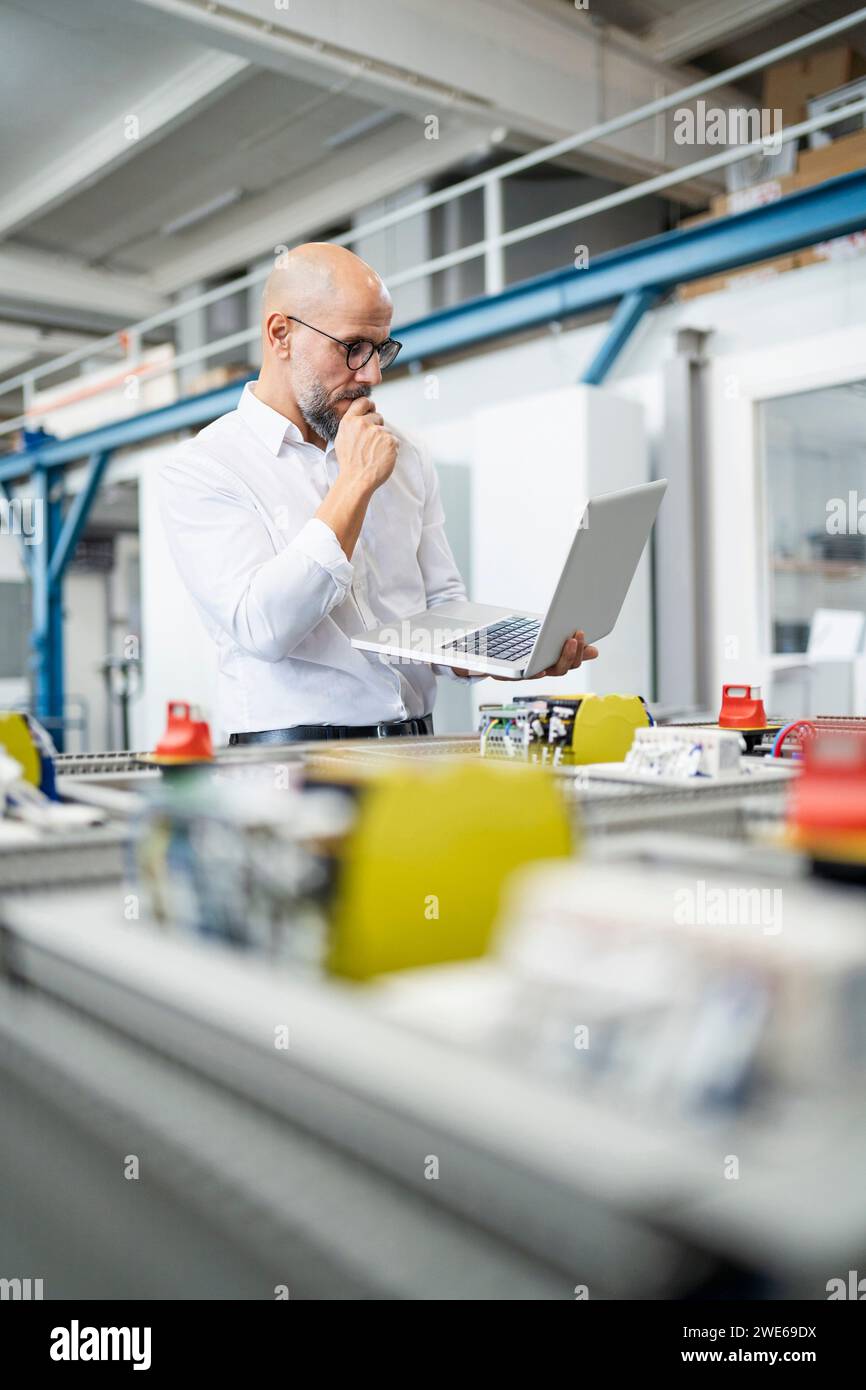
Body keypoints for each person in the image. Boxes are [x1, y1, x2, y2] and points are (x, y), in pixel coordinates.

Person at [159, 243, 597, 744]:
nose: (372, 374)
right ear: (281, 334)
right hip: (294, 769)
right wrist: (355, 483)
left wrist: (505, 654)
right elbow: (264, 628)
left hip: (416, 749)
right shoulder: (206, 469)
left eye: (381, 348)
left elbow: (440, 603)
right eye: (352, 347)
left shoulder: (405, 454)